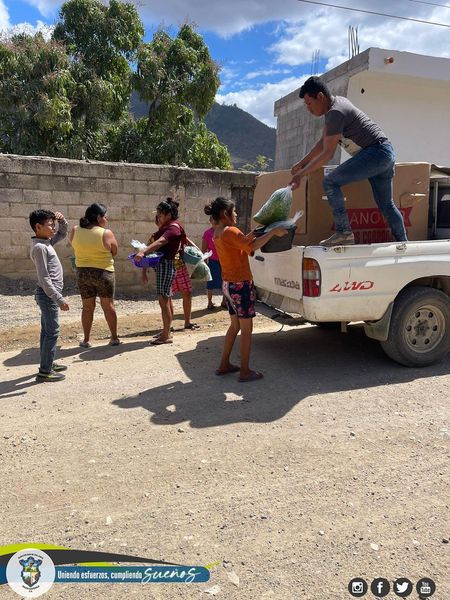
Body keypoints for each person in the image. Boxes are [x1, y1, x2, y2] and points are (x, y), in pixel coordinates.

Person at [290, 76, 407, 246]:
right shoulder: (337, 105)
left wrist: (300, 175)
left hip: (375, 153)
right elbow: (323, 142)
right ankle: (404, 244)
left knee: (330, 182)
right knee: (386, 205)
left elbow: (327, 153)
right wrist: (302, 163)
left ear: (320, 96)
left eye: (309, 103)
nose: (309, 109)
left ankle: (344, 232)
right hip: (385, 153)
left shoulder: (335, 113)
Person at [205, 197, 287, 383]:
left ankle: (224, 365)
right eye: (233, 211)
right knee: (246, 330)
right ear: (225, 213)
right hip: (240, 285)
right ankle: (245, 371)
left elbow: (241, 242)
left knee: (234, 327)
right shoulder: (231, 231)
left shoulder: (217, 232)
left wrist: (254, 232)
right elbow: (252, 246)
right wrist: (273, 232)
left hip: (228, 285)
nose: (236, 214)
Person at [135, 198, 186, 345]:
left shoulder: (173, 228)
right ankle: (166, 331)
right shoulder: (169, 226)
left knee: (163, 300)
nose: (158, 217)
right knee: (166, 299)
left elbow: (161, 242)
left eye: (160, 214)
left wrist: (143, 252)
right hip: (164, 266)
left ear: (168, 214)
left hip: (166, 265)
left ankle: (166, 335)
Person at [70, 203, 120, 347]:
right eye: (105, 216)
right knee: (108, 306)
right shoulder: (106, 233)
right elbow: (114, 251)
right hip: (104, 273)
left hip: (83, 273)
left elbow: (74, 245)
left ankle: (86, 339)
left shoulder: (75, 230)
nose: (106, 219)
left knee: (87, 307)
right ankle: (114, 338)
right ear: (99, 217)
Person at [29, 209, 70, 382]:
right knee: (52, 332)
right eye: (50, 225)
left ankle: (48, 362)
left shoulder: (46, 242)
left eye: (54, 224)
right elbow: (44, 278)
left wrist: (62, 221)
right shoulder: (40, 247)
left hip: (48, 295)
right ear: (38, 227)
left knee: (46, 331)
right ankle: (45, 371)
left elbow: (63, 233)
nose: (54, 228)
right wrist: (58, 299)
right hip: (48, 296)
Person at [202, 216, 227, 310]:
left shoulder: (224, 232)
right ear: (210, 221)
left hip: (224, 261)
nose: (215, 221)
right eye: (213, 219)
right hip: (213, 262)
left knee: (225, 281)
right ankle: (209, 302)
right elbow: (204, 251)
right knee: (210, 282)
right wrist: (205, 264)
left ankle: (224, 301)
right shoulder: (207, 233)